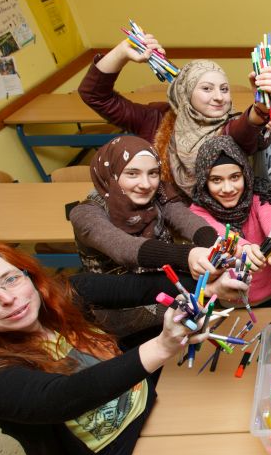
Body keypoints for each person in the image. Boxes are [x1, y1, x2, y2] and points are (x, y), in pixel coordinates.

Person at [0, 242, 214, 455]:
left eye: (10, 279)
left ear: (27, 273)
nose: (7, 298)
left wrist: (210, 285)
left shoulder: (62, 294)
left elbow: (143, 287)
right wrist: (162, 346)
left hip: (152, 404)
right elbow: (62, 397)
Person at [79, 32, 271, 197]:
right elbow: (95, 95)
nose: (219, 97)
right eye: (207, 88)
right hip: (163, 221)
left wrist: (261, 109)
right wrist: (123, 51)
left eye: (224, 89)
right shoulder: (157, 118)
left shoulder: (231, 124)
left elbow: (243, 131)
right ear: (186, 91)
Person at [69, 136, 219, 335]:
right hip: (118, 310)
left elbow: (187, 220)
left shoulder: (159, 195)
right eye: (132, 174)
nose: (146, 184)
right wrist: (188, 255)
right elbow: (125, 248)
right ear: (111, 174)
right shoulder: (85, 214)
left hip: (164, 289)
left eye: (153, 173)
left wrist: (215, 247)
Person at [190, 135, 271, 307]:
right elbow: (217, 235)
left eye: (235, 177)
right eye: (216, 180)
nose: (228, 189)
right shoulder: (196, 212)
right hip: (232, 304)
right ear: (204, 181)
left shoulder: (258, 196)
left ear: (246, 175)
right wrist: (245, 249)